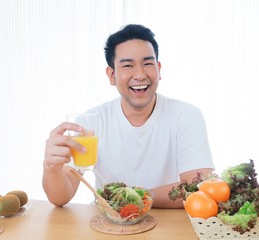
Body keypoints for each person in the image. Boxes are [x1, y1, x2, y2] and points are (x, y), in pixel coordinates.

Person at [43, 24, 214, 208]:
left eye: (148, 64)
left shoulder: (185, 116)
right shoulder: (91, 123)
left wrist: (134, 198)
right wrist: (51, 168)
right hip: (108, 225)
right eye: (128, 65)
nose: (140, 75)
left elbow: (198, 188)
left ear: (158, 69)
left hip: (165, 227)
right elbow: (60, 198)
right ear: (111, 75)